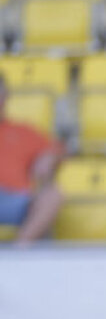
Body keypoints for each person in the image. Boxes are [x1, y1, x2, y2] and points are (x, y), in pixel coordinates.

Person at [0, 72, 63, 246]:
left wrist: (49, 157)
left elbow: (57, 149)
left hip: (16, 200)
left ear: (5, 97)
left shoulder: (24, 131)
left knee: (52, 195)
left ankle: (19, 252)